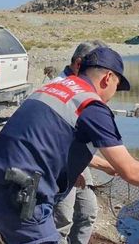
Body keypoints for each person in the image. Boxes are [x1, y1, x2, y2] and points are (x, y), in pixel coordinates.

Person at [0, 47, 139, 243]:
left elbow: (45, 140)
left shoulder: (54, 87)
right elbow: (130, 170)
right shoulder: (91, 105)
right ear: (108, 78)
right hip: (21, 198)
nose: (113, 95)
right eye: (117, 86)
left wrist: (98, 166)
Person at [52, 40, 107, 244]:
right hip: (58, 163)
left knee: (87, 211)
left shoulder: (84, 89)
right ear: (78, 64)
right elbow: (57, 144)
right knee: (63, 218)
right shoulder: (59, 88)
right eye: (98, 70)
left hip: (77, 159)